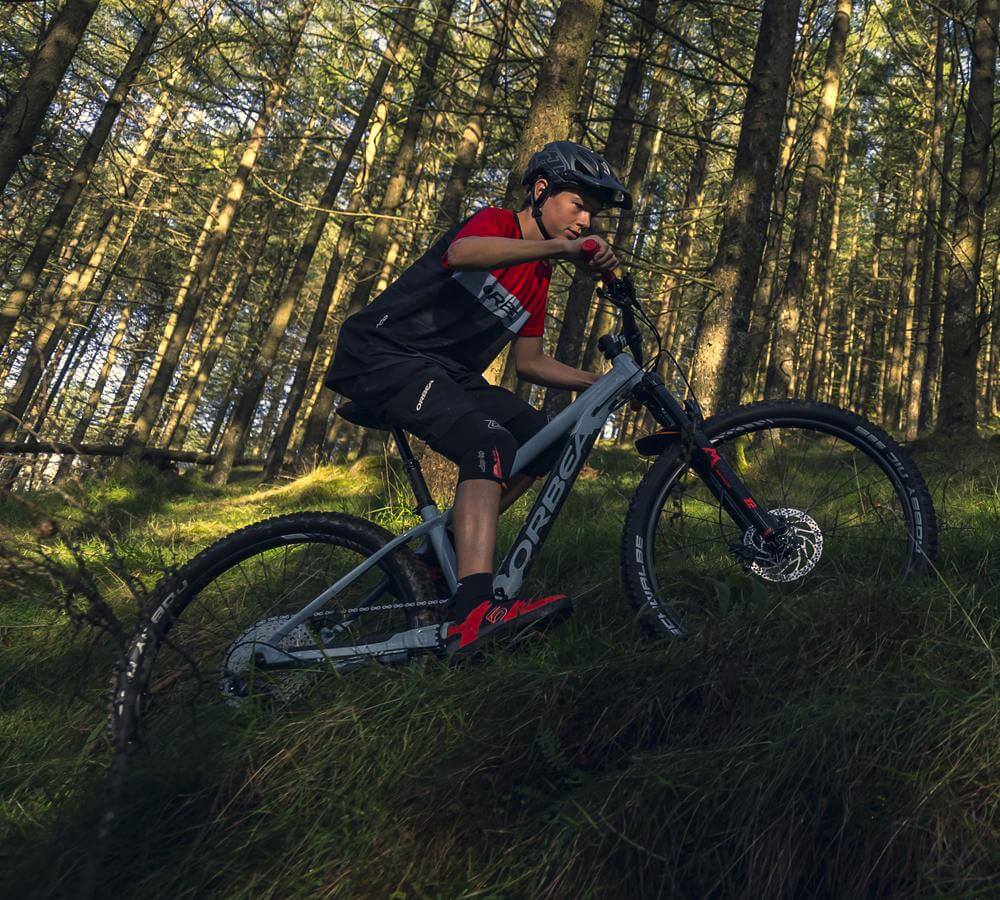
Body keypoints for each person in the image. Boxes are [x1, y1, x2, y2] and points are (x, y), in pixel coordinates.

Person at [324, 141, 631, 656]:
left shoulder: (537, 278)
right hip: (384, 352)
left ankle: (433, 559)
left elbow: (530, 363)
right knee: (487, 443)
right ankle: (474, 608)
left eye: (593, 215)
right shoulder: (497, 223)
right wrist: (560, 248)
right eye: (577, 205)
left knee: (544, 443)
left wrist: (600, 382)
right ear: (541, 192)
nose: (586, 221)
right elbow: (461, 254)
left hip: (447, 372)